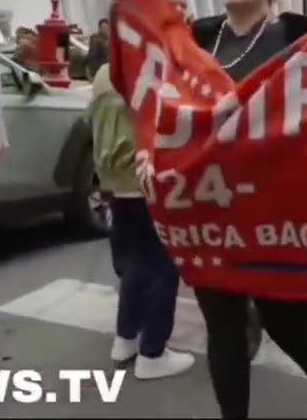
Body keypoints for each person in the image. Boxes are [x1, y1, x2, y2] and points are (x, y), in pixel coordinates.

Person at [190, 0, 307, 419]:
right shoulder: (196, 40)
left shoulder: (302, 37)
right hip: (210, 206)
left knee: (290, 325)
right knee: (223, 326)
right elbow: (164, 106)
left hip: (278, 207)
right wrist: (151, 154)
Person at [90, 33, 195, 380]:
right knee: (164, 267)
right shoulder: (152, 72)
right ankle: (153, 353)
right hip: (149, 177)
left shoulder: (106, 71)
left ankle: (126, 337)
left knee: (134, 263)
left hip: (114, 181)